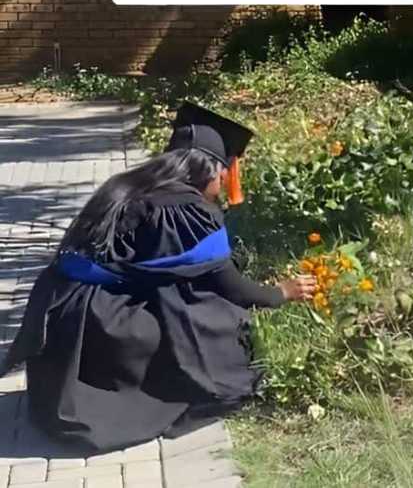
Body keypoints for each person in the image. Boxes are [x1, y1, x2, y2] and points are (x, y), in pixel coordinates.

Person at [1, 103, 317, 452]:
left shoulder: (128, 185)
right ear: (209, 171)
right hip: (94, 322)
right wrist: (281, 293)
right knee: (213, 318)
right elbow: (227, 284)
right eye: (224, 172)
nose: (225, 182)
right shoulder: (182, 209)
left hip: (61, 310)